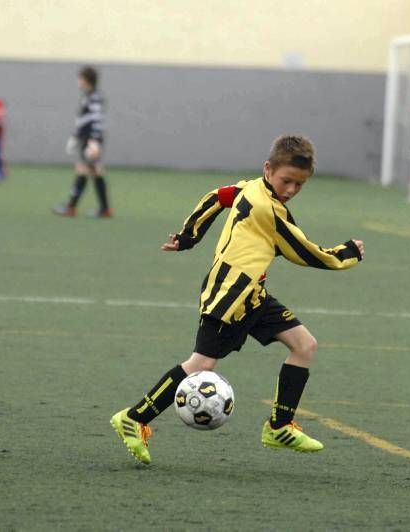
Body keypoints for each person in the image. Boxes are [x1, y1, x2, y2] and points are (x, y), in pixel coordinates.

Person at [110, 136, 365, 465]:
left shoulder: (252, 187)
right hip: (229, 295)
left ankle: (279, 426)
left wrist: (189, 235)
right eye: (286, 181)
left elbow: (218, 197)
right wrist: (348, 253)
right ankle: (135, 417)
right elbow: (305, 253)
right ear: (268, 169)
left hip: (253, 294)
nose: (290, 190)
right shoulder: (267, 209)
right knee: (201, 365)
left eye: (299, 185)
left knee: (304, 345)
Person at [53, 66, 110, 218]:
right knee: (95, 171)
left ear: (86, 80)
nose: (78, 81)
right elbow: (83, 120)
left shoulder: (94, 97)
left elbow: (97, 120)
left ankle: (71, 207)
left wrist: (95, 141)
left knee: (83, 169)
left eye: (80, 78)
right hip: (87, 139)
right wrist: (76, 136)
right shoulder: (88, 96)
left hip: (91, 140)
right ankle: (104, 209)